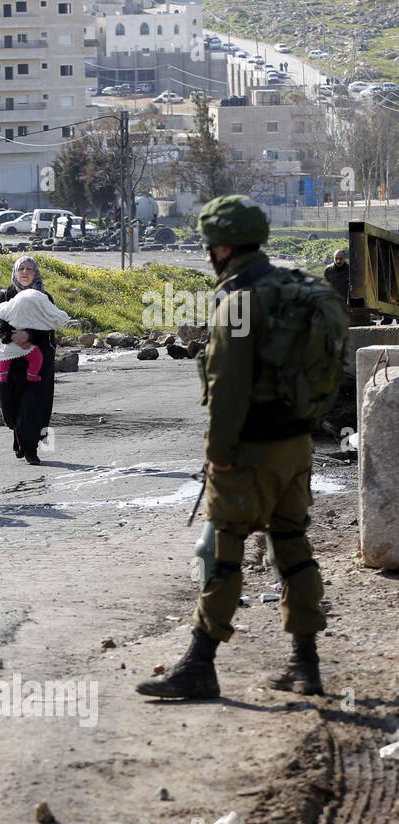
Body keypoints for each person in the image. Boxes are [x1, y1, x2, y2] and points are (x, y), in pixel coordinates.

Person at [137, 195, 329, 701]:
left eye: (208, 246)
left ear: (223, 248)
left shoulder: (237, 301)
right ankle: (305, 664)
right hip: (296, 443)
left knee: (225, 554)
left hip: (248, 450)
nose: (206, 255)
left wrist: (219, 452)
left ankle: (200, 665)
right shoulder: (296, 287)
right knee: (292, 545)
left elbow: (227, 388)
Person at [0, 256, 63, 464]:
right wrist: (12, 336)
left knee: (32, 406)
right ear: (15, 271)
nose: (25, 272)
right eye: (21, 268)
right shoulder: (4, 295)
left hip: (37, 361)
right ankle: (20, 436)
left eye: (29, 268)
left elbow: (49, 324)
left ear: (35, 273)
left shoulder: (44, 296)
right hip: (9, 360)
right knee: (10, 407)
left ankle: (31, 450)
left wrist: (28, 336)